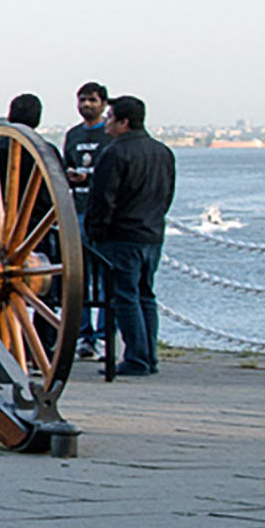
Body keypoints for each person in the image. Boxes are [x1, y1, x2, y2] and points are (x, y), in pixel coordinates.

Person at [81, 95, 175, 378]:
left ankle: (136, 357)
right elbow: (167, 194)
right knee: (146, 295)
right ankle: (149, 356)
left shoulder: (115, 153)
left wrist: (95, 233)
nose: (106, 122)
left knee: (125, 296)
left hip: (121, 236)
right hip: (152, 233)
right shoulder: (163, 152)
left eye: (110, 117)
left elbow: (103, 199)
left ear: (124, 122)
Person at [58, 82, 112, 358]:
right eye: (81, 100)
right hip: (76, 210)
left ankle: (104, 336)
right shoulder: (74, 135)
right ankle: (83, 336)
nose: (86, 105)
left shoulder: (110, 133)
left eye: (91, 100)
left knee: (104, 278)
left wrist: (89, 177)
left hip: (100, 213)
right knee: (77, 277)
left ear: (103, 104)